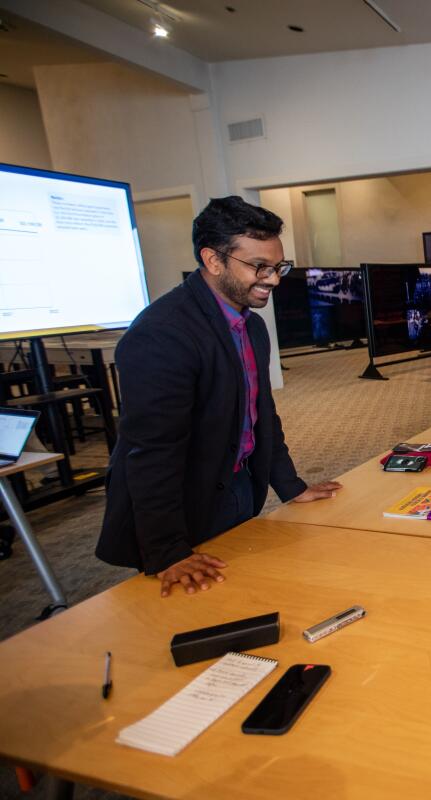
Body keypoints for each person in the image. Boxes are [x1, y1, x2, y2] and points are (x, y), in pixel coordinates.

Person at [96, 196, 342, 597]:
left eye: (278, 266)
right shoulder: (162, 334)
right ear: (213, 261)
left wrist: (290, 485)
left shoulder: (251, 326)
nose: (274, 279)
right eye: (259, 267)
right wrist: (168, 552)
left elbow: (260, 413)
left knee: (244, 591)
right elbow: (152, 453)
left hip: (239, 483)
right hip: (181, 503)